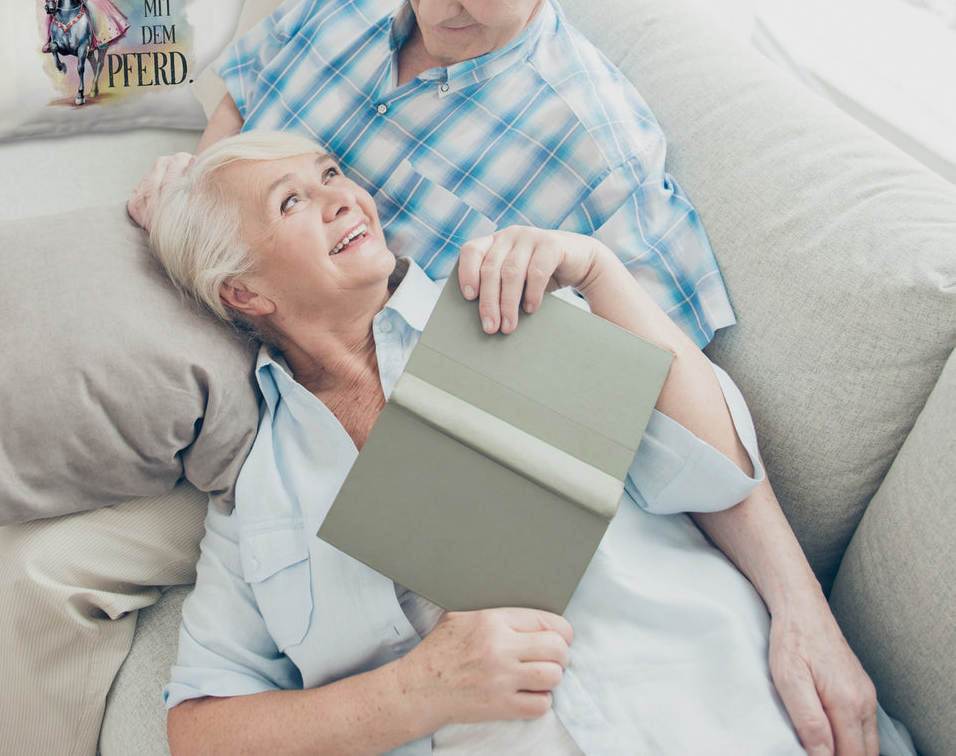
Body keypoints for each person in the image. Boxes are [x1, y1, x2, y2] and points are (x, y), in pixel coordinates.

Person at [0, 0, 874, 756]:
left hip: (320, 393)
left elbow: (669, 397)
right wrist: (200, 186)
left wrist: (800, 606)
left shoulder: (596, 150)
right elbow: (240, 101)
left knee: (42, 565)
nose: (430, 0)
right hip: (228, 288)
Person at [149, 131, 903, 756]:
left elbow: (715, 471)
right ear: (244, 292)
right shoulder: (258, 493)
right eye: (292, 201)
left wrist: (601, 273)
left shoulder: (504, 304)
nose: (343, 196)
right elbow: (200, 729)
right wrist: (415, 692)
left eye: (331, 174)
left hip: (727, 708)